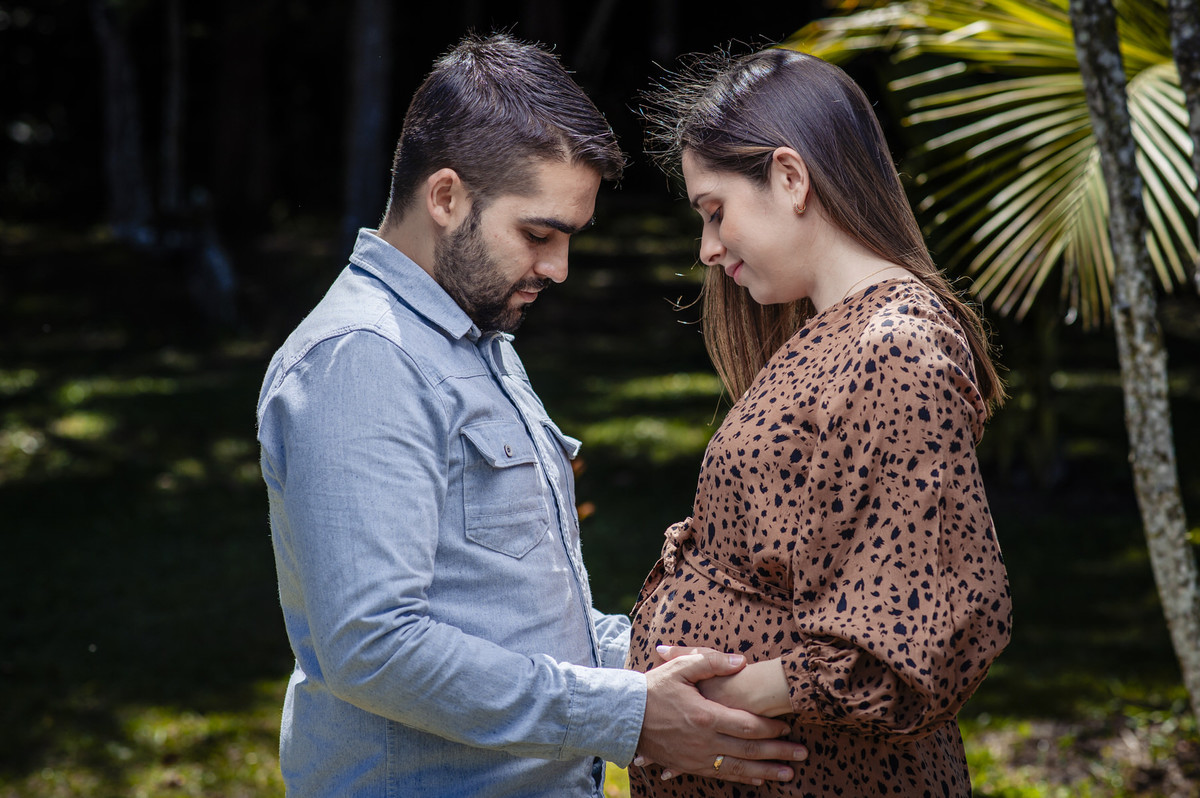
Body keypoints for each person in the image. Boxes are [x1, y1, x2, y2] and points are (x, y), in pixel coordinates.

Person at [255, 33, 809, 797]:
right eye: (538, 234)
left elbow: (508, 612)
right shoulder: (363, 357)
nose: (557, 269)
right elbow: (373, 647)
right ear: (445, 197)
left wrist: (665, 663)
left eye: (567, 239)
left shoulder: (472, 335)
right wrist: (628, 717)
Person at [624, 48, 1013, 797]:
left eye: (715, 211)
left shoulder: (896, 346)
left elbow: (903, 633)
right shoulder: (836, 332)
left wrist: (698, 707)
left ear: (790, 178)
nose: (707, 249)